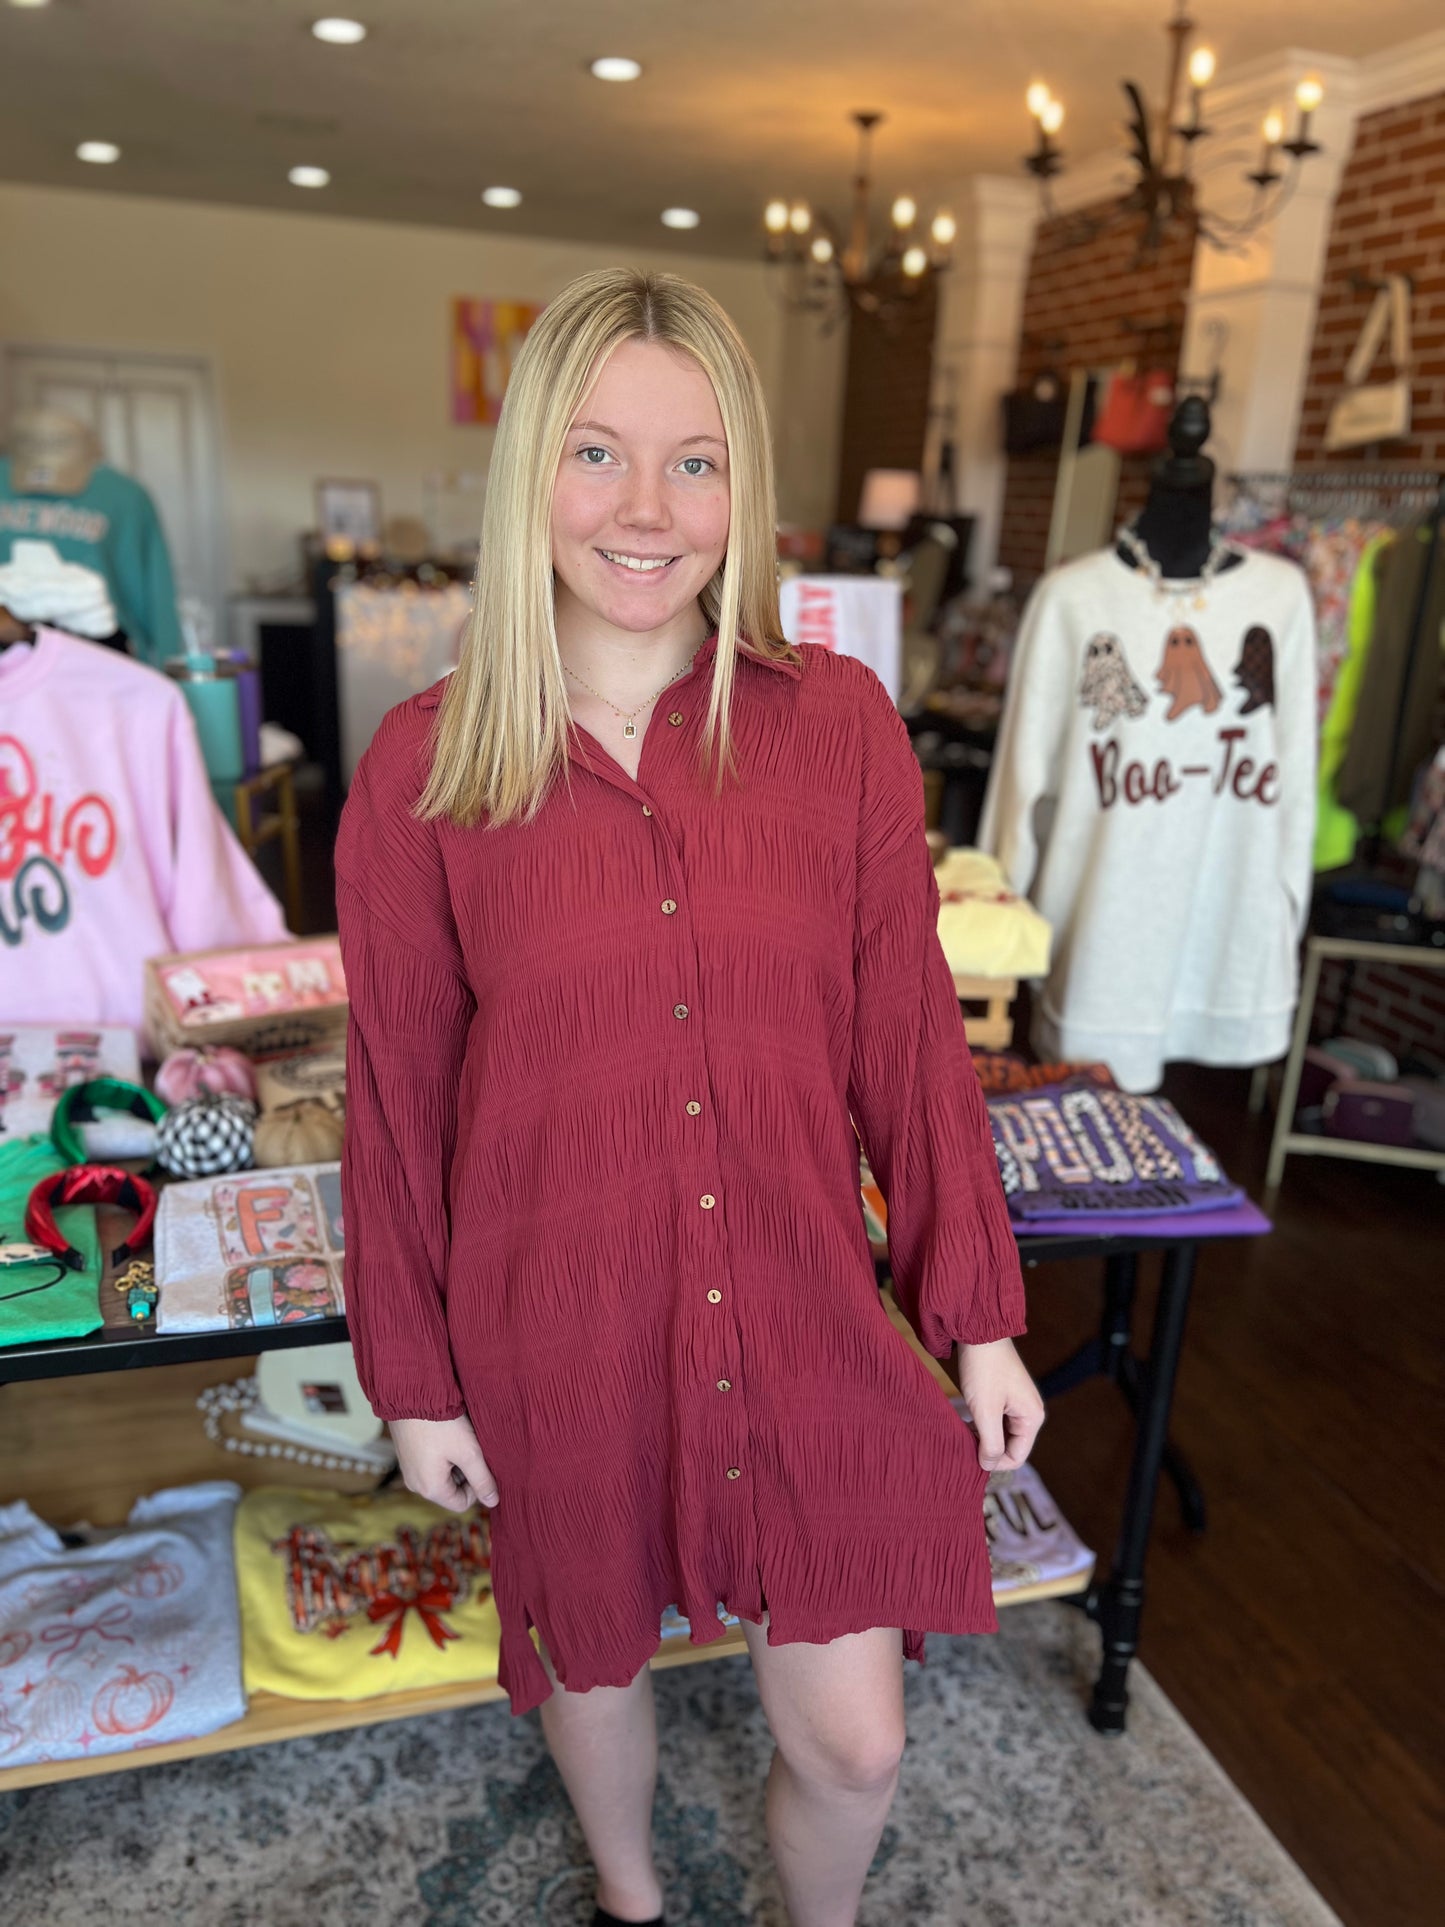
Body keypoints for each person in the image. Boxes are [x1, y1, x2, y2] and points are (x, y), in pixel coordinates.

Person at [335, 268, 1044, 1927]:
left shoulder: (838, 732)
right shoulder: (427, 769)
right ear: (530, 478)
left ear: (746, 489)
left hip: (802, 1297)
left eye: (696, 463)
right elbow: (394, 1106)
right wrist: (416, 1383)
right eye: (596, 455)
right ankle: (635, 1900)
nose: (647, 511)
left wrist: (978, 1316)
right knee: (592, 1658)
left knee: (855, 1742)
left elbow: (905, 1039)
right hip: (554, 1315)